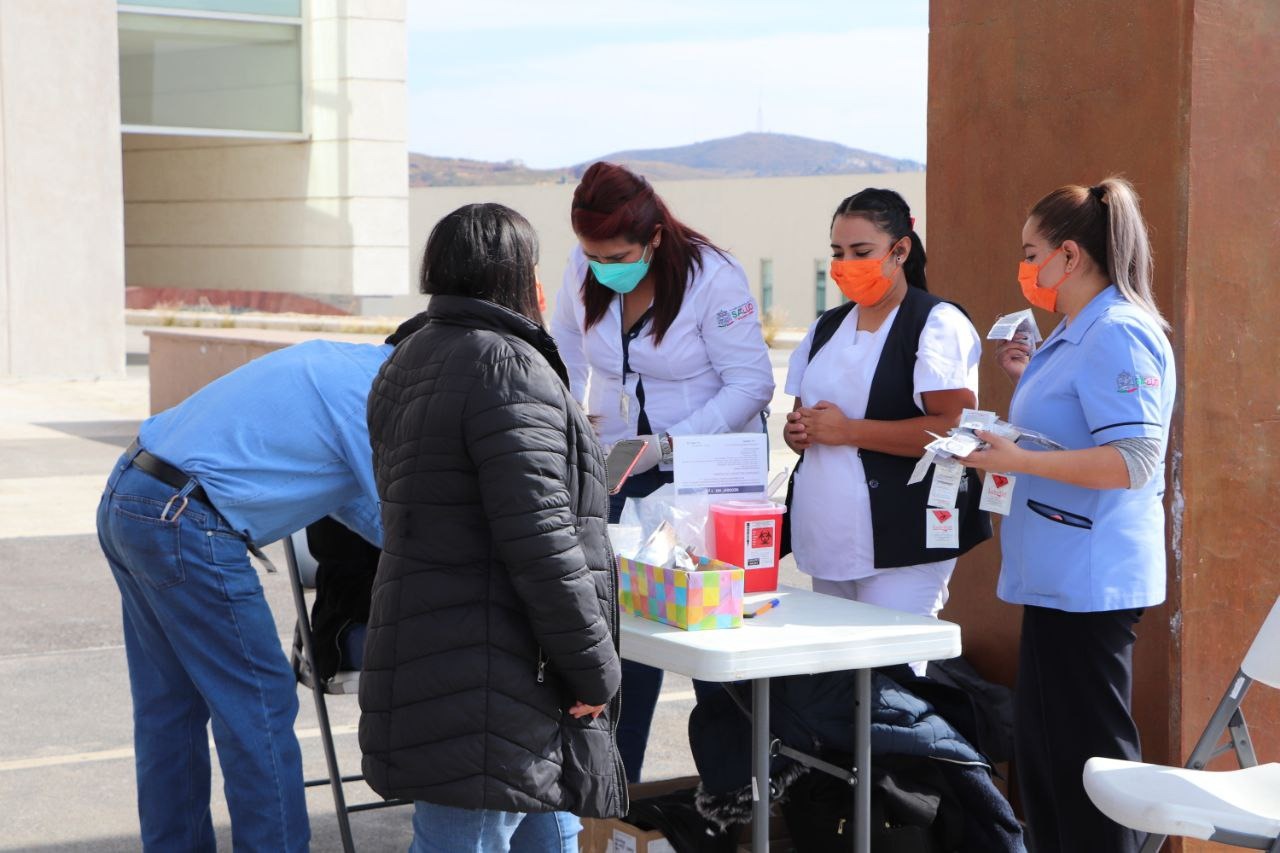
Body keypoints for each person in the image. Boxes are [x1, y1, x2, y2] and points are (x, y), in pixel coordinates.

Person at [95, 317, 424, 851]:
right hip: (184, 519)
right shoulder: (376, 398)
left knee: (169, 710)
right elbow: (404, 523)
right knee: (260, 708)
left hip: (131, 493)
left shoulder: (338, 363)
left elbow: (359, 507)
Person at [359, 203, 625, 853]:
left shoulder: (408, 357)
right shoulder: (507, 367)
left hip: (451, 660)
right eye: (534, 266)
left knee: (551, 832)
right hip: (492, 680)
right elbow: (542, 541)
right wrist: (592, 671)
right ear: (514, 274)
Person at [961, 177, 1176, 853]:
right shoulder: (1072, 332)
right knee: (1050, 766)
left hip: (1092, 579)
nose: (1024, 266)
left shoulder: (1117, 331)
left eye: (1032, 251)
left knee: (1090, 771)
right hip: (1056, 574)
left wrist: (1017, 460)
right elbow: (1070, 431)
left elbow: (1134, 458)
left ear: (1071, 255)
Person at [550, 161, 775, 781]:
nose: (602, 266)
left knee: (710, 648)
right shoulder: (586, 266)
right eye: (592, 253)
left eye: (617, 254)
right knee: (624, 638)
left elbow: (752, 384)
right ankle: (611, 800)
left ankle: (736, 800)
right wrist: (569, 412)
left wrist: (671, 444)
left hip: (709, 470)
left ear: (653, 239)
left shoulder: (711, 277)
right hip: (624, 466)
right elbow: (565, 343)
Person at [782, 188, 990, 635]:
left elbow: (955, 431)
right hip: (826, 534)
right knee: (834, 685)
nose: (845, 264)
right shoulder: (827, 326)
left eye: (861, 251)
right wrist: (799, 430)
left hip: (905, 541)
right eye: (838, 252)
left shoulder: (936, 323)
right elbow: (801, 416)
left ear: (900, 251)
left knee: (893, 683)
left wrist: (848, 431)